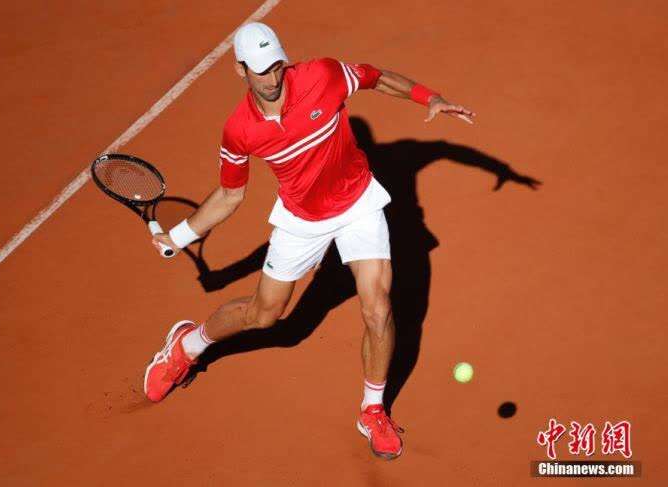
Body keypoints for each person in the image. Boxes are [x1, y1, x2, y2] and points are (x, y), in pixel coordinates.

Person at [144, 22, 474, 460]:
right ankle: (188, 345)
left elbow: (375, 77)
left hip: (358, 204)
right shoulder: (240, 129)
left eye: (276, 66)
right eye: (261, 70)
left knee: (378, 308)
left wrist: (429, 98)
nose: (272, 78)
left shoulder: (322, 75)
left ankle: (372, 410)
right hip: (302, 220)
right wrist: (181, 235)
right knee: (265, 316)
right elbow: (229, 195)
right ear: (240, 70)